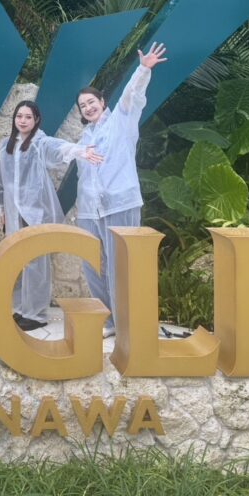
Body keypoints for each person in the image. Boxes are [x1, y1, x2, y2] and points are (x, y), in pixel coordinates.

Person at [75, 42, 167, 338]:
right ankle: (110, 320)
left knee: (122, 265)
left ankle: (128, 322)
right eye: (83, 106)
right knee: (92, 266)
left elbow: (131, 97)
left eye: (91, 102)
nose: (88, 107)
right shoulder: (84, 138)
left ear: (102, 101)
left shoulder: (120, 122)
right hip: (89, 211)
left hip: (119, 204)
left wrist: (143, 70)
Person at [0, 100, 103, 330]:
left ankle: (36, 314)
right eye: (19, 116)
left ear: (36, 120)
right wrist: (0, 208)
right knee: (18, 260)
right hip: (14, 214)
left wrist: (80, 151)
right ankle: (21, 308)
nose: (23, 121)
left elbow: (59, 148)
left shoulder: (39, 143)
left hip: (35, 212)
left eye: (28, 117)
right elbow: (1, 180)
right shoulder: (6, 146)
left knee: (36, 261)